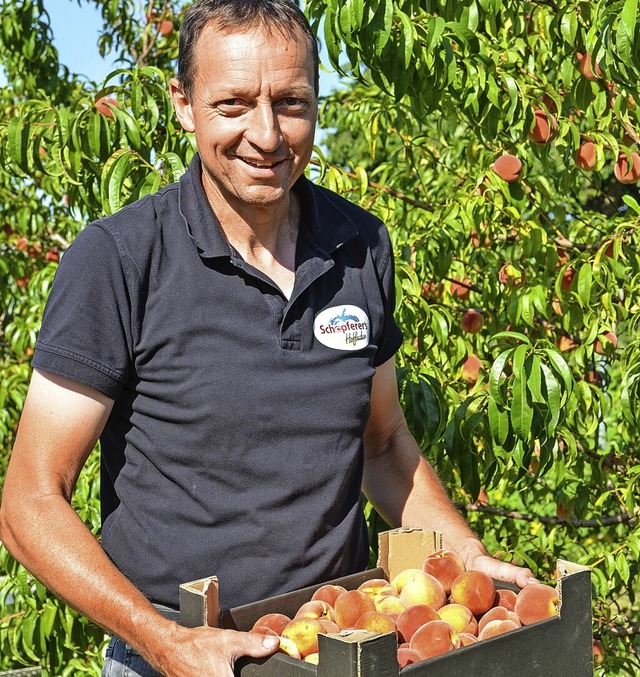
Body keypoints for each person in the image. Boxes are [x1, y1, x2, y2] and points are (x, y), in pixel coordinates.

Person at [0, 1, 537, 675]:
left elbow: (384, 442)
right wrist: (162, 641)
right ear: (183, 104)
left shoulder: (359, 245)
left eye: (291, 102)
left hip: (338, 647)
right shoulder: (121, 259)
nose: (266, 133)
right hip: (175, 658)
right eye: (232, 104)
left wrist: (465, 556)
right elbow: (28, 501)